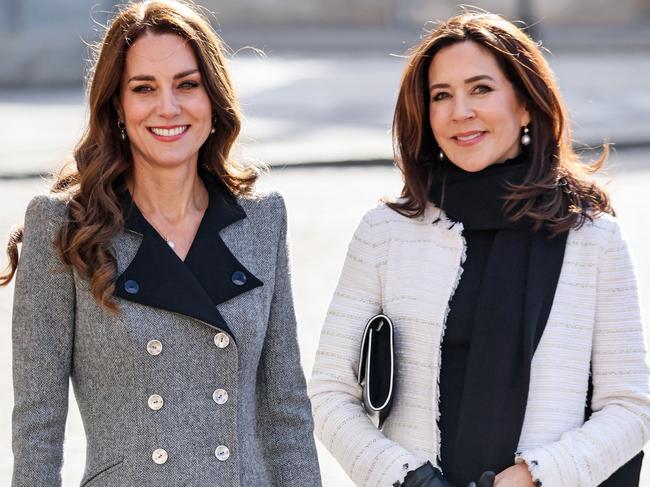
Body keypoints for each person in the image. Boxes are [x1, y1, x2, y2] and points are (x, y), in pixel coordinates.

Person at [308, 11, 650, 487]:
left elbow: (630, 407)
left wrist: (537, 477)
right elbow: (329, 393)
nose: (459, 111)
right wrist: (406, 479)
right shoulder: (385, 232)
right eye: (441, 95)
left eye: (481, 89)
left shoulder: (592, 237)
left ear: (526, 104)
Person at [1, 1, 321, 485]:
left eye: (187, 85)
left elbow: (286, 409)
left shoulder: (261, 219)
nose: (168, 107)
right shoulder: (65, 226)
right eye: (144, 88)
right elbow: (38, 424)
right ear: (117, 108)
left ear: (213, 99)